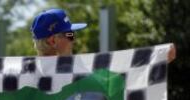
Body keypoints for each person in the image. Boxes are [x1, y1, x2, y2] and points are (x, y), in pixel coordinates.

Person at [31, 8, 176, 61]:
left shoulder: (22, 75)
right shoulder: (22, 75)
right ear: (52, 41)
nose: (74, 40)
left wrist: (158, 58)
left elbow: (122, 72)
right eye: (70, 34)